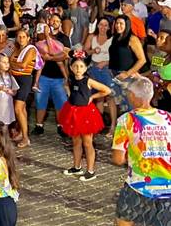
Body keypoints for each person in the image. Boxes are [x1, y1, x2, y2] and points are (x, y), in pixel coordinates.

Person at [112, 76, 171, 226]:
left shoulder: (126, 120)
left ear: (133, 96)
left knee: (124, 220)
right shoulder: (168, 118)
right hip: (167, 186)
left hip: (139, 185)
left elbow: (118, 159)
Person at [58, 52, 111, 182]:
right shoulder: (70, 80)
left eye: (81, 66)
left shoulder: (88, 80)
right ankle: (77, 167)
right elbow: (69, 89)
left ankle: (91, 171)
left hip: (85, 114)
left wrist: (92, 97)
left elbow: (106, 90)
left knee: (87, 143)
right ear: (71, 67)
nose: (78, 69)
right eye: (75, 66)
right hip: (73, 112)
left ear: (86, 68)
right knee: (76, 142)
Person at [9, 30, 38, 148]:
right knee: (22, 109)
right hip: (14, 79)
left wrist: (11, 64)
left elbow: (23, 65)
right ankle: (22, 132)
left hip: (24, 80)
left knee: (18, 109)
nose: (21, 39)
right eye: (19, 37)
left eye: (23, 37)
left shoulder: (31, 49)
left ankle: (26, 138)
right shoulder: (16, 49)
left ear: (28, 38)